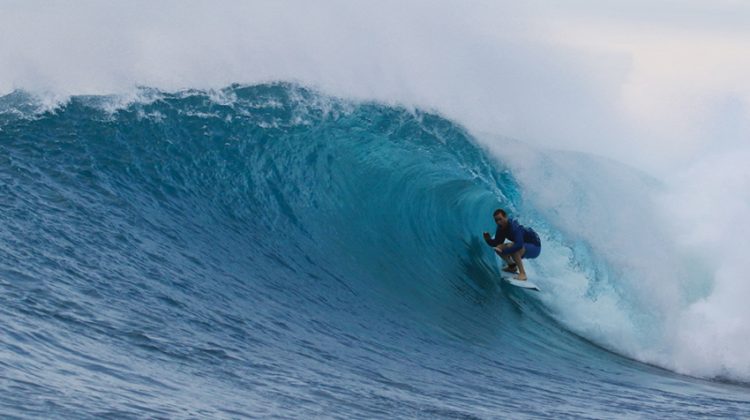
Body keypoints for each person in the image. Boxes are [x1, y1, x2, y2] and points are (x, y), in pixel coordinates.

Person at [482, 209, 541, 281]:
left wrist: (505, 251)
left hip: (535, 247)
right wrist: (488, 240)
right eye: (496, 220)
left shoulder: (514, 227)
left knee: (514, 248)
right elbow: (497, 243)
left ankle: (523, 274)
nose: (498, 222)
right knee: (498, 248)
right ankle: (512, 266)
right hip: (523, 245)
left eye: (500, 219)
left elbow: (519, 245)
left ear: (506, 217)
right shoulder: (501, 228)